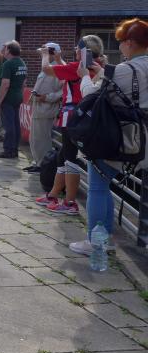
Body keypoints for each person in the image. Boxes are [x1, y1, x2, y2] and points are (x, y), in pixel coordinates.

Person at [69, 19, 148, 255]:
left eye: (121, 41)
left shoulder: (124, 70)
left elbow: (91, 96)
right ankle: (106, 238)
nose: (120, 45)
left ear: (130, 43)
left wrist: (85, 76)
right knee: (105, 187)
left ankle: (96, 241)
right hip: (142, 140)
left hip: (118, 139)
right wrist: (104, 72)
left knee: (98, 188)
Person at [35, 35, 104, 215]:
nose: (75, 50)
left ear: (84, 51)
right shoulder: (96, 66)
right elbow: (69, 73)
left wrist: (45, 55)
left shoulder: (79, 66)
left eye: (77, 48)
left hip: (72, 116)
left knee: (70, 159)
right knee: (63, 157)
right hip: (82, 116)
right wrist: (59, 59)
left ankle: (70, 202)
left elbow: (47, 69)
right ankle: (53, 195)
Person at [23, 43, 63, 172]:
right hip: (39, 107)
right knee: (35, 138)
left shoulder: (60, 68)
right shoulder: (47, 66)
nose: (42, 55)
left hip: (47, 109)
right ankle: (37, 161)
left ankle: (43, 165)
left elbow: (63, 91)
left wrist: (47, 97)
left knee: (43, 139)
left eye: (44, 53)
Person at [0, 40, 27, 158]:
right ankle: (15, 149)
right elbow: (24, 83)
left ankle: (8, 150)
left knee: (9, 125)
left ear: (9, 51)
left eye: (6, 48)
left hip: (8, 98)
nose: (4, 50)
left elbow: (5, 84)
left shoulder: (8, 64)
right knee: (16, 124)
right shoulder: (22, 63)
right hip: (17, 97)